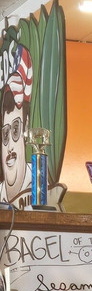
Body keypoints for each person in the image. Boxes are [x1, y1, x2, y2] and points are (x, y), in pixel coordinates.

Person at [1, 43, 32, 207]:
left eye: (15, 130)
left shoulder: (40, 186)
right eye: (5, 134)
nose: (10, 147)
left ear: (25, 128)